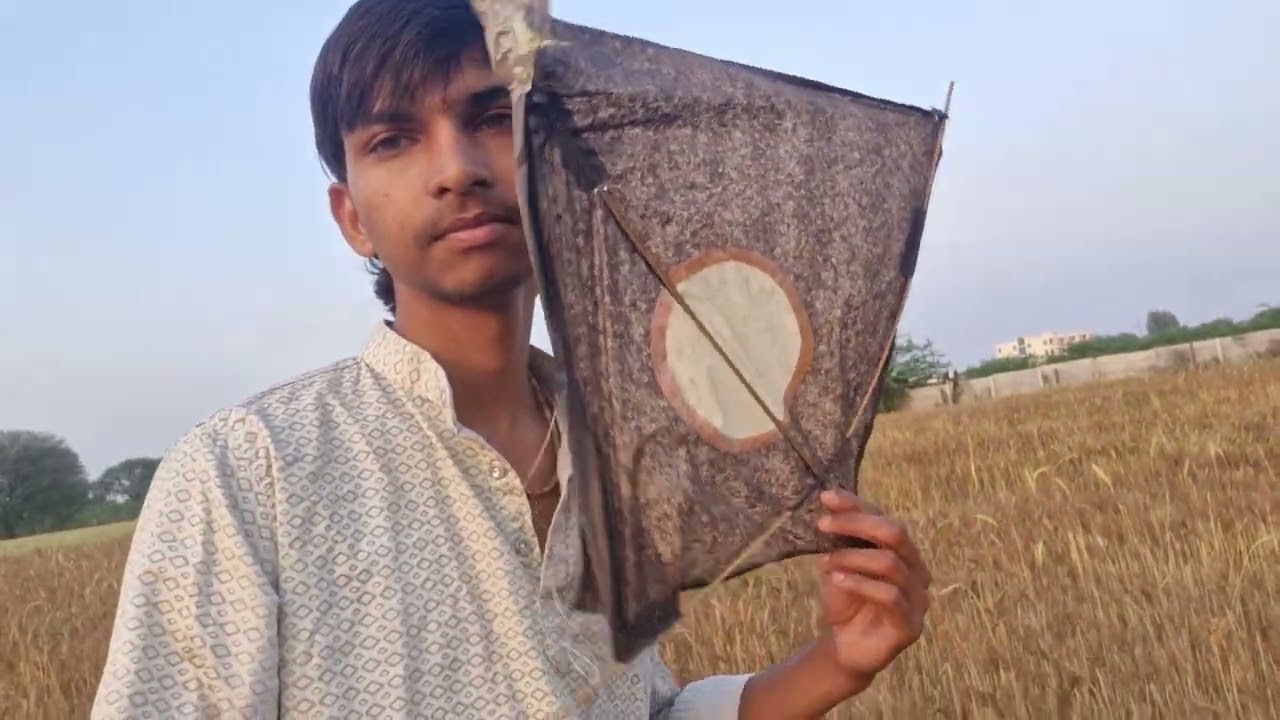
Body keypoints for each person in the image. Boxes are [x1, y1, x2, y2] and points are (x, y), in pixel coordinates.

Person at [91, 1, 931, 717]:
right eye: (394, 139)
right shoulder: (247, 474)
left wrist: (837, 661)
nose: (455, 169)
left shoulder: (621, 447)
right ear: (352, 218)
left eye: (493, 118)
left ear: (553, 164)